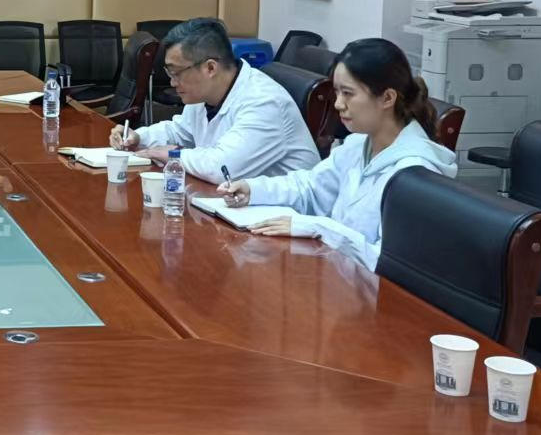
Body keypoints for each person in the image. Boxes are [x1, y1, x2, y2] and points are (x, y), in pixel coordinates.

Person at [215, 38, 458, 270]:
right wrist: (253, 189)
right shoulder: (359, 145)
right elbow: (310, 188)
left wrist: (321, 228)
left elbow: (387, 261)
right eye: (337, 92)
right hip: (338, 275)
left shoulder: (414, 174)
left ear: (387, 98)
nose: (338, 104)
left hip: (373, 292)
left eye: (348, 93)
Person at [110, 17, 317, 180]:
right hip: (232, 204)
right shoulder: (204, 93)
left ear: (210, 68)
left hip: (283, 214)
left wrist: (173, 155)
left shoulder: (265, 102)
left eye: (176, 73)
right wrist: (138, 137)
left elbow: (222, 168)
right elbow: (181, 131)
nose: (172, 83)